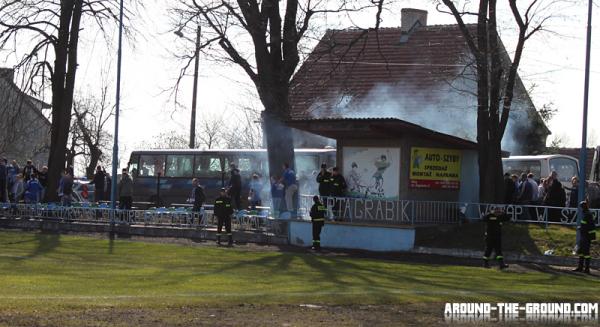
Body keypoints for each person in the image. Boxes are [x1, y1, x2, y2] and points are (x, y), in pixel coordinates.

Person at [573, 201, 596, 274]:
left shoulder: (587, 215)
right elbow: (586, 225)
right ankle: (580, 267)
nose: (581, 208)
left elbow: (588, 226)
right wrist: (581, 228)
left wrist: (581, 228)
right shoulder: (586, 214)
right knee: (581, 252)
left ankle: (587, 269)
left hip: (586, 236)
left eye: (581, 207)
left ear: (583, 207)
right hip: (584, 235)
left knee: (586, 252)